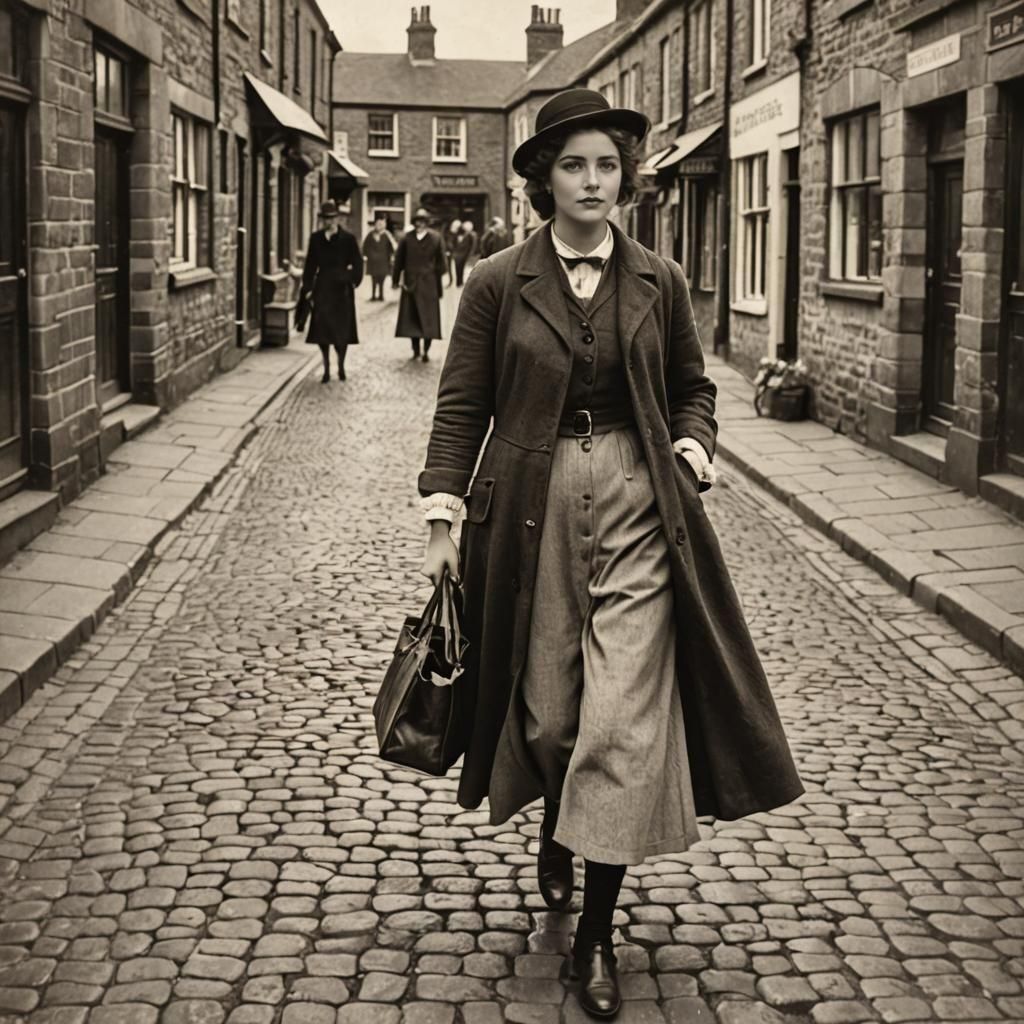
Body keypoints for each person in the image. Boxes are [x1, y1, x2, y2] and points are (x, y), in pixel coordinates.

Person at [415, 88, 803, 1020]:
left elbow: (692, 387)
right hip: (530, 506)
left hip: (638, 501)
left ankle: (596, 936)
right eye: (575, 165)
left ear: (625, 176)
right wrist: (442, 521)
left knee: (623, 723)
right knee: (548, 717)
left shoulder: (658, 279)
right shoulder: (500, 281)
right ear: (545, 180)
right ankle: (558, 823)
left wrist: (692, 446)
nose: (594, 182)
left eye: (607, 165)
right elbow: (464, 403)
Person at [299, 199, 363, 382]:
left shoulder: (348, 239)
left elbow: (358, 263)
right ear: (322, 220)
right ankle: (326, 367)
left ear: (337, 218)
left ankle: (341, 366)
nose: (329, 222)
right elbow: (310, 265)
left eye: (332, 218)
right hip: (323, 289)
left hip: (342, 291)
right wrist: (308, 287)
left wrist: (352, 281)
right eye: (326, 219)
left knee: (342, 332)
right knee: (323, 331)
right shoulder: (316, 239)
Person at [392, 208, 446, 362]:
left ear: (427, 223)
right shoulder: (406, 239)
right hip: (411, 285)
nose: (420, 224)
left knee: (429, 320)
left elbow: (442, 263)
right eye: (417, 221)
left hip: (429, 285)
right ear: (414, 223)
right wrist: (396, 280)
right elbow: (399, 261)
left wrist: (435, 277)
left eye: (423, 221)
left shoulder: (436, 238)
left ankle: (426, 351)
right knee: (411, 319)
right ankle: (415, 350)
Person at [362, 214, 396, 301]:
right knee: (373, 278)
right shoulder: (370, 235)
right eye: (377, 224)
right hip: (373, 261)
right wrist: (365, 255)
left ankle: (381, 295)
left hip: (383, 261)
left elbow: (393, 247)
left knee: (382, 278)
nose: (379, 226)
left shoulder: (387, 235)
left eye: (381, 224)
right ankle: (373, 295)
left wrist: (392, 256)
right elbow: (365, 246)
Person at [451, 219, 477, 286]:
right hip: (457, 255)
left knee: (462, 268)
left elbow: (471, 245)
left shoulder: (469, 235)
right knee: (457, 268)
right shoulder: (456, 235)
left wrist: (469, 254)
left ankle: (461, 281)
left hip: (464, 254)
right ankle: (458, 282)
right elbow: (453, 244)